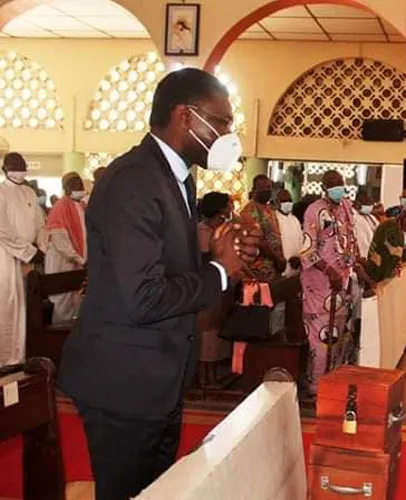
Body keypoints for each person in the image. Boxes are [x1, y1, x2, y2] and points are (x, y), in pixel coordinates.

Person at [58, 68, 259, 500]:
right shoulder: (135, 180)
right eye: (221, 122)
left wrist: (216, 249)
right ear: (186, 117)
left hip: (156, 378)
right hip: (125, 382)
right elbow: (144, 297)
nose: (228, 132)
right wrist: (220, 271)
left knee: (155, 492)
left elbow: (164, 263)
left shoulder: (174, 177)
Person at [300, 170, 357, 400]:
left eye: (340, 184)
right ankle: (316, 385)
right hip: (319, 284)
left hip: (341, 283)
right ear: (324, 187)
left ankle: (332, 380)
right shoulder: (314, 211)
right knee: (319, 336)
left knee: (338, 335)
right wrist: (329, 270)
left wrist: (355, 265)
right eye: (333, 185)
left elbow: (349, 241)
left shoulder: (345, 208)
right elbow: (307, 250)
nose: (338, 188)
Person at [0, 152, 45, 366]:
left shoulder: (29, 193)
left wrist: (40, 248)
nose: (19, 169)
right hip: (6, 257)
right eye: (14, 166)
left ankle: (20, 358)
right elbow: (3, 230)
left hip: (28, 257)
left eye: (22, 165)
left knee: (24, 309)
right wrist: (27, 251)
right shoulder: (0, 192)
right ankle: (4, 360)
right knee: (7, 308)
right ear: (5, 169)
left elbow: (40, 224)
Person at [196, 191, 233, 387]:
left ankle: (212, 374)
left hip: (222, 286)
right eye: (228, 205)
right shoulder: (201, 231)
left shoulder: (224, 229)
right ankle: (203, 378)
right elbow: (206, 259)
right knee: (205, 332)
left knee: (215, 332)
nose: (231, 209)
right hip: (206, 285)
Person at [44, 172, 87, 323]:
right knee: (61, 301)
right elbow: (60, 241)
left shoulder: (82, 206)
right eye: (74, 185)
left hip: (77, 262)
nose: (79, 188)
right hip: (62, 262)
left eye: (80, 185)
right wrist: (79, 259)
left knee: (74, 302)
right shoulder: (60, 207)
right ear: (66, 188)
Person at [239, 175, 285, 281]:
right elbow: (259, 242)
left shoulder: (269, 209)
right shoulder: (248, 212)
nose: (268, 191)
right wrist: (277, 259)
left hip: (274, 268)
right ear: (255, 190)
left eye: (269, 187)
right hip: (258, 269)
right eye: (264, 188)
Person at [365, 209, 406, 283]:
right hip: (377, 267)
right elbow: (392, 252)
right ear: (404, 217)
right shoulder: (391, 227)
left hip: (381, 266)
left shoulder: (398, 228)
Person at [275, 189, 303, 277]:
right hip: (281, 268)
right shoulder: (274, 219)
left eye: (289, 200)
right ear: (277, 202)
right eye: (284, 201)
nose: (287, 203)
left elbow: (301, 242)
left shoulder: (295, 220)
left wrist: (299, 258)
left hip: (297, 267)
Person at [353, 190, 379, 259]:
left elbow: (379, 230)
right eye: (367, 203)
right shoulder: (354, 218)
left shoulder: (371, 217)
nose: (370, 206)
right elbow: (363, 245)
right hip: (364, 257)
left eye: (371, 204)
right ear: (357, 204)